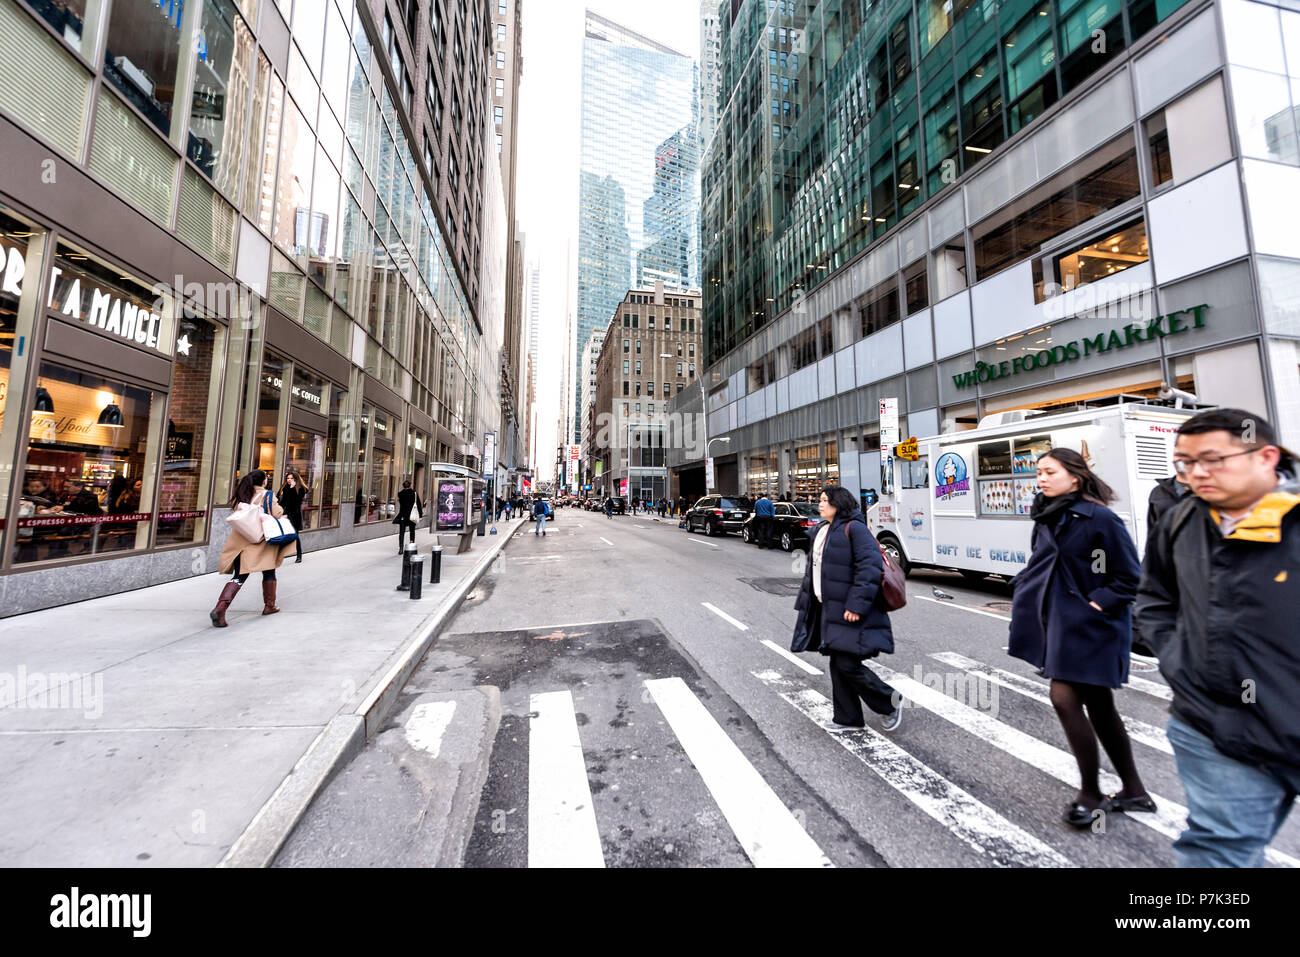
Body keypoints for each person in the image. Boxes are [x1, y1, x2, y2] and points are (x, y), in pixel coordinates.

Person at [1135, 408, 1300, 867]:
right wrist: (1178, 663)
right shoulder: (1182, 518)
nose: (1195, 473)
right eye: (1184, 462)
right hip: (1211, 724)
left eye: (1213, 459)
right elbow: (1154, 598)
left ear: (1267, 456)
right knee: (1219, 850)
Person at [1007, 448, 1149, 830]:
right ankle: (1134, 789)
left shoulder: (1099, 518)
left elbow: (1128, 577)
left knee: (1064, 697)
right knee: (1100, 706)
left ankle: (1091, 793)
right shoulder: (1047, 515)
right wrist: (1025, 588)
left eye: (1050, 472)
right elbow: (1042, 562)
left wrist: (1096, 605)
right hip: (1062, 623)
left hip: (1094, 627)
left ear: (1075, 475)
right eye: (1038, 472)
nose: (1041, 479)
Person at [792, 486, 903, 733]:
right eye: (819, 500)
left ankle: (890, 701)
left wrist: (856, 605)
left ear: (838, 504)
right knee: (838, 662)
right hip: (829, 609)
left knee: (846, 664)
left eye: (824, 500)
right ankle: (848, 719)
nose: (819, 504)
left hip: (850, 610)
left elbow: (869, 568)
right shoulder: (823, 529)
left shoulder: (855, 529)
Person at [211, 470, 295, 627]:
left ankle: (220, 607)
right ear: (264, 481)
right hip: (259, 541)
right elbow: (276, 512)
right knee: (269, 570)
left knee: (239, 575)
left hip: (240, 541)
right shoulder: (267, 495)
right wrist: (281, 515)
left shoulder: (242, 494)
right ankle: (269, 606)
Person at [278, 470, 308, 564]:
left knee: (295, 535)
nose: (289, 480)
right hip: (283, 514)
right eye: (288, 478)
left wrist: (292, 488)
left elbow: (296, 502)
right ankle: (277, 555)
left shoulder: (301, 489)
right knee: (280, 534)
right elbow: (280, 501)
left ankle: (299, 555)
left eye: (291, 478)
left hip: (294, 515)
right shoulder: (284, 487)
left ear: (296, 479)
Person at [393, 480, 422, 552]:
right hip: (412, 515)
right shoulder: (414, 493)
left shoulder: (400, 494)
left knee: (401, 532)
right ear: (410, 485)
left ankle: (401, 548)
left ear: (403, 486)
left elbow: (401, 503)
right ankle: (411, 544)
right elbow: (418, 505)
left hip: (403, 515)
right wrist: (420, 515)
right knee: (412, 530)